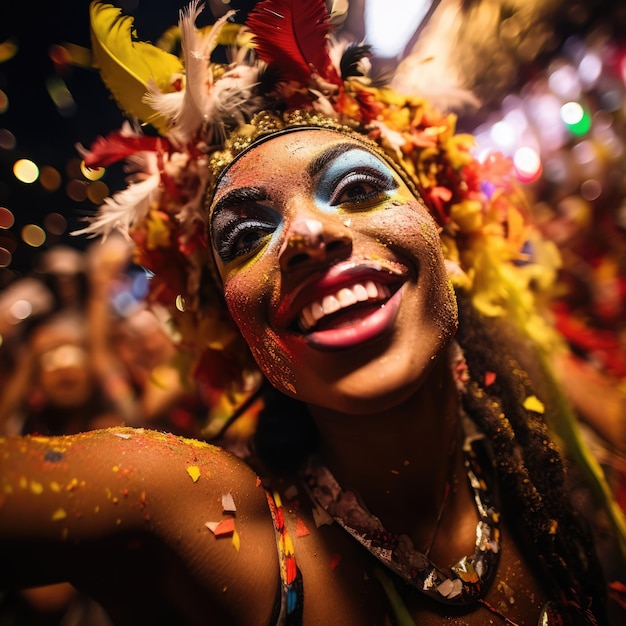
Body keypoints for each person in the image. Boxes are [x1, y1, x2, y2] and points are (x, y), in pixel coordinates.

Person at [1, 1, 624, 624]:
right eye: (245, 236)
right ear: (233, 328)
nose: (305, 237)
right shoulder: (211, 525)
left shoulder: (540, 398)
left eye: (355, 190)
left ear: (445, 233)